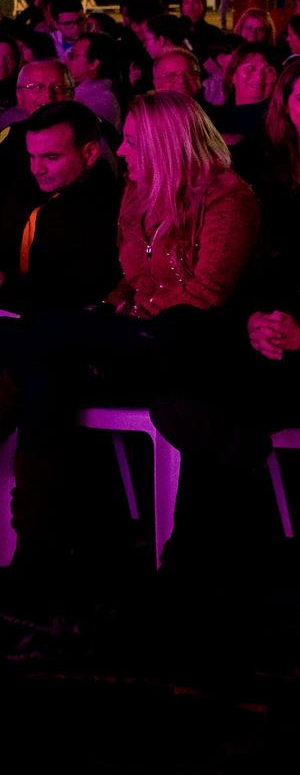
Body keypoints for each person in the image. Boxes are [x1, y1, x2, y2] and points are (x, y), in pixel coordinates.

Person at [0, 93, 259, 574]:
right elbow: (131, 279)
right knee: (44, 375)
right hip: (133, 340)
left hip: (186, 347)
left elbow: (205, 295)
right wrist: (112, 308)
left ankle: (43, 553)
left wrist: (119, 318)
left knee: (42, 336)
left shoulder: (229, 197)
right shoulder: (140, 195)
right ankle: (41, 549)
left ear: (167, 144)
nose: (121, 152)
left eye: (133, 143)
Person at [0, 101, 123, 319]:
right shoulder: (26, 186)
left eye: (51, 157)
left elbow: (77, 292)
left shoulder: (108, 209)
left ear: (90, 152)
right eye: (32, 156)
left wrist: (7, 286)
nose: (37, 169)